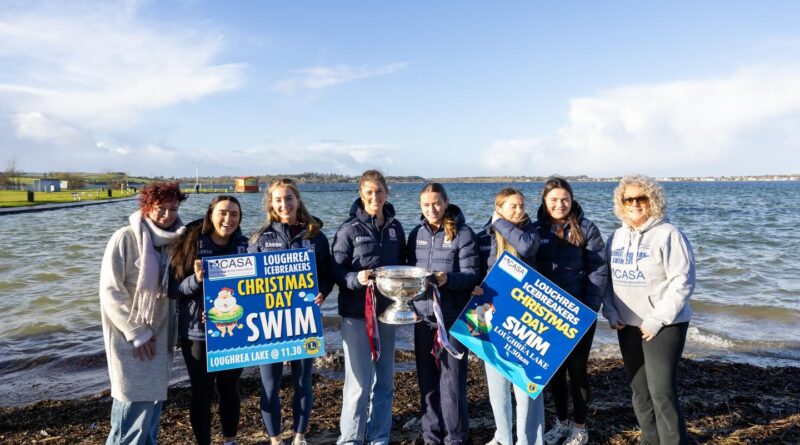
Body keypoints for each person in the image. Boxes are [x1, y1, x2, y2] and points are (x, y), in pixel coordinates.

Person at [602, 175, 695, 445]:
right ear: (621, 203)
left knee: (661, 392)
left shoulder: (669, 234)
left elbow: (683, 281)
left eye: (641, 198)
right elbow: (606, 280)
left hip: (664, 326)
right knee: (640, 392)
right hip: (627, 325)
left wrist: (656, 319)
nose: (634, 203)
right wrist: (611, 312)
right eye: (628, 199)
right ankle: (649, 441)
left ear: (652, 200)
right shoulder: (616, 237)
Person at [99, 181, 188, 445]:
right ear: (147, 206)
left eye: (173, 209)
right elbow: (110, 290)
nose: (167, 215)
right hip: (131, 339)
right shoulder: (125, 238)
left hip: (162, 338)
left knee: (151, 412)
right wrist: (137, 332)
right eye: (161, 208)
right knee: (131, 412)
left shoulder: (178, 241)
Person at [248, 179, 335, 445]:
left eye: (288, 198)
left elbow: (328, 274)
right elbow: (245, 282)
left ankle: (299, 437)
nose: (284, 204)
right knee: (270, 385)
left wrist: (323, 292)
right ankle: (275, 440)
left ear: (298, 200)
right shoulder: (260, 238)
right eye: (278, 200)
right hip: (269, 323)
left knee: (302, 382)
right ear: (270, 204)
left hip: (304, 320)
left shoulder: (315, 236)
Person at [332, 169, 407, 445]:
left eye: (379, 191)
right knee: (359, 383)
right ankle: (350, 439)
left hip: (387, 313)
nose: (375, 197)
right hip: (356, 314)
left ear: (387, 192)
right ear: (361, 194)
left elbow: (404, 265)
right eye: (369, 192)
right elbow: (336, 270)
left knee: (385, 380)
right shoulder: (348, 229)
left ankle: (379, 436)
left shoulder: (396, 228)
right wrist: (356, 278)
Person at [533, 178, 607, 445]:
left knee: (577, 370)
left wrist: (589, 307)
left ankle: (580, 427)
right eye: (553, 199)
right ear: (544, 201)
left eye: (564, 199)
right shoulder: (535, 229)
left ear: (572, 200)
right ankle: (561, 422)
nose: (559, 204)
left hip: (579, 312)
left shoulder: (586, 228)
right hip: (546, 314)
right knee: (554, 369)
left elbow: (599, 269)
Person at [170, 195, 247, 445]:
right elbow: (174, 289)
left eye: (234, 214)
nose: (228, 219)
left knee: (230, 389)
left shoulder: (245, 246)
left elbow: (254, 291)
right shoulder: (191, 243)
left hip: (233, 331)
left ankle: (230, 441)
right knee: (202, 393)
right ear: (210, 215)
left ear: (240, 219)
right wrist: (197, 280)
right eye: (222, 212)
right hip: (197, 332)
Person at [406, 183, 479, 445]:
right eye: (426, 205)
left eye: (436, 203)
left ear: (446, 202)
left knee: (452, 383)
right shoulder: (415, 234)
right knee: (427, 381)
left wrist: (448, 279)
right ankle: (431, 437)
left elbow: (472, 275)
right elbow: (408, 273)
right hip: (423, 319)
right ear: (420, 206)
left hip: (453, 318)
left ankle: (456, 438)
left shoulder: (463, 233)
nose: (432, 209)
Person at [475, 187, 544, 445]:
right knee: (497, 386)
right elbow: (477, 272)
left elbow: (525, 247)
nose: (519, 210)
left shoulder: (531, 233)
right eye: (512, 206)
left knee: (525, 387)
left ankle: (527, 440)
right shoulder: (484, 237)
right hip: (491, 314)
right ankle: (503, 437)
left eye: (521, 205)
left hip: (523, 318)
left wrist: (500, 222)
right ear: (499, 208)